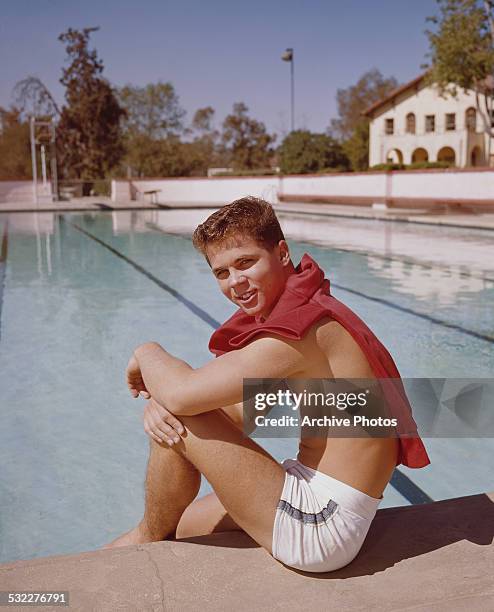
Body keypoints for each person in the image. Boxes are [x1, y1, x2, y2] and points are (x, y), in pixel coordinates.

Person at [107, 196, 430, 573]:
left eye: (245, 263)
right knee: (182, 524)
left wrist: (147, 353)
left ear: (282, 252)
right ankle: (153, 532)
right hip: (313, 491)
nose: (235, 282)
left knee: (181, 416)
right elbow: (241, 414)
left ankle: (144, 536)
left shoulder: (301, 331)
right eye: (222, 273)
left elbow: (182, 394)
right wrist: (166, 403)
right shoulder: (303, 312)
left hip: (323, 525)